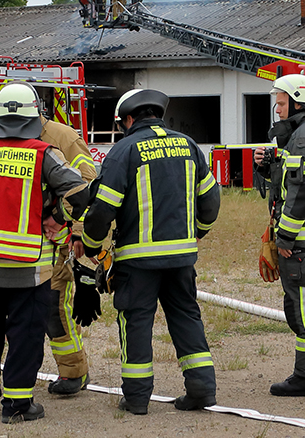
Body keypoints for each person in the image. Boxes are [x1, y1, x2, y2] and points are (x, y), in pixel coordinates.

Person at [0, 83, 91, 424]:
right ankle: (17, 404)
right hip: (30, 268)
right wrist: (57, 217)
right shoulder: (43, 153)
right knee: (25, 335)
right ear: (33, 117)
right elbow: (82, 192)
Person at [80, 89, 220, 416]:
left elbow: (103, 209)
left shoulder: (124, 150)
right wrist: (197, 231)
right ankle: (201, 388)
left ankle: (137, 398)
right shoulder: (189, 145)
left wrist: (91, 245)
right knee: (186, 316)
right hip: (182, 257)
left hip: (138, 261)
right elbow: (211, 200)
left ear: (129, 119)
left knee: (136, 322)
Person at [253, 73, 305, 397]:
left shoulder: (304, 137)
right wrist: (269, 164)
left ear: (298, 103)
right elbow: (293, 178)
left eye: (281, 103)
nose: (277, 109)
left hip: (301, 240)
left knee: (301, 309)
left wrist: (285, 237)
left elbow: (304, 188)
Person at [37, 94, 99, 396]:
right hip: (19, 244)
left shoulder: (64, 137)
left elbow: (87, 184)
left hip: (55, 242)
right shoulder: (9, 137)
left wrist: (75, 230)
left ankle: (73, 371)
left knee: (54, 307)